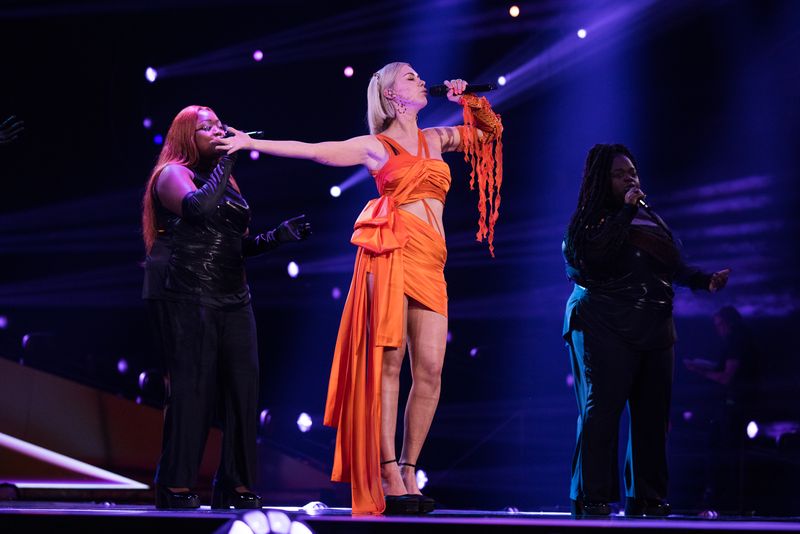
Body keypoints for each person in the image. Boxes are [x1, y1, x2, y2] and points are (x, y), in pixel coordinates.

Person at [217, 62, 503, 514]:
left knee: (429, 369)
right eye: (409, 77)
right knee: (389, 365)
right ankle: (388, 470)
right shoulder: (376, 146)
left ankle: (410, 468)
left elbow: (486, 135)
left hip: (432, 261)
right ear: (391, 96)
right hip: (393, 256)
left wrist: (467, 100)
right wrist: (252, 143)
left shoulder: (436, 138)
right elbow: (314, 150)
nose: (418, 79)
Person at [140, 105, 311, 510]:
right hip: (185, 291)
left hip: (234, 294)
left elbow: (237, 244)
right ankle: (176, 483)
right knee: (193, 388)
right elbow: (197, 210)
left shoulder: (227, 182)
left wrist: (276, 237)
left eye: (221, 125)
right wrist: (231, 154)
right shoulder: (171, 175)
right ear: (187, 137)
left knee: (243, 389)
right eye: (207, 127)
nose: (219, 130)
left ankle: (234, 483)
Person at [561, 143, 730, 517]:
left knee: (653, 416)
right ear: (601, 180)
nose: (630, 178)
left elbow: (671, 264)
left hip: (655, 325)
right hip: (605, 322)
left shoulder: (651, 218)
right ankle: (593, 495)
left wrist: (704, 280)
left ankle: (647, 495)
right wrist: (624, 212)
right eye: (621, 173)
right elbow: (594, 257)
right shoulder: (593, 219)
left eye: (633, 172)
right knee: (602, 412)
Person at [684, 305, 758, 513]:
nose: (718, 329)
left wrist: (701, 371)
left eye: (719, 325)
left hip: (736, 406)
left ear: (727, 323)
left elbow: (727, 377)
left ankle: (723, 501)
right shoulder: (741, 339)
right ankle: (725, 500)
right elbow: (724, 367)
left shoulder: (736, 340)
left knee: (723, 453)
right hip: (738, 405)